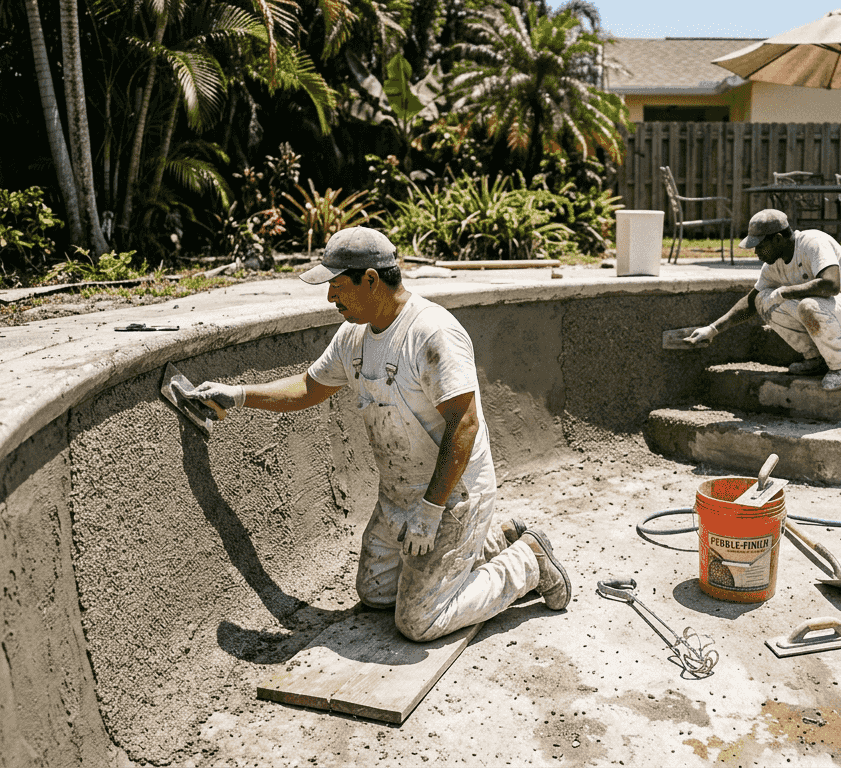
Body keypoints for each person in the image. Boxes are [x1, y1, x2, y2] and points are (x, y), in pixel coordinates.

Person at [175, 226, 571, 642]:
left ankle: (528, 560)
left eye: (337, 286)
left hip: (452, 495)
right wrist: (237, 395)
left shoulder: (432, 333)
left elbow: (465, 423)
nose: (330, 298)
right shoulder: (354, 336)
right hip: (398, 495)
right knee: (376, 595)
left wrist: (432, 510)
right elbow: (310, 387)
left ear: (371, 280)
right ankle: (496, 539)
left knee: (418, 621)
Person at [685, 209, 841, 391]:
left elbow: (831, 285)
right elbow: (751, 302)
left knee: (807, 305)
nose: (756, 253)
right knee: (764, 300)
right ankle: (816, 358)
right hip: (835, 311)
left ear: (778, 239)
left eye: (760, 246)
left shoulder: (813, 242)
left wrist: (786, 292)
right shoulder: (773, 265)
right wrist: (712, 329)